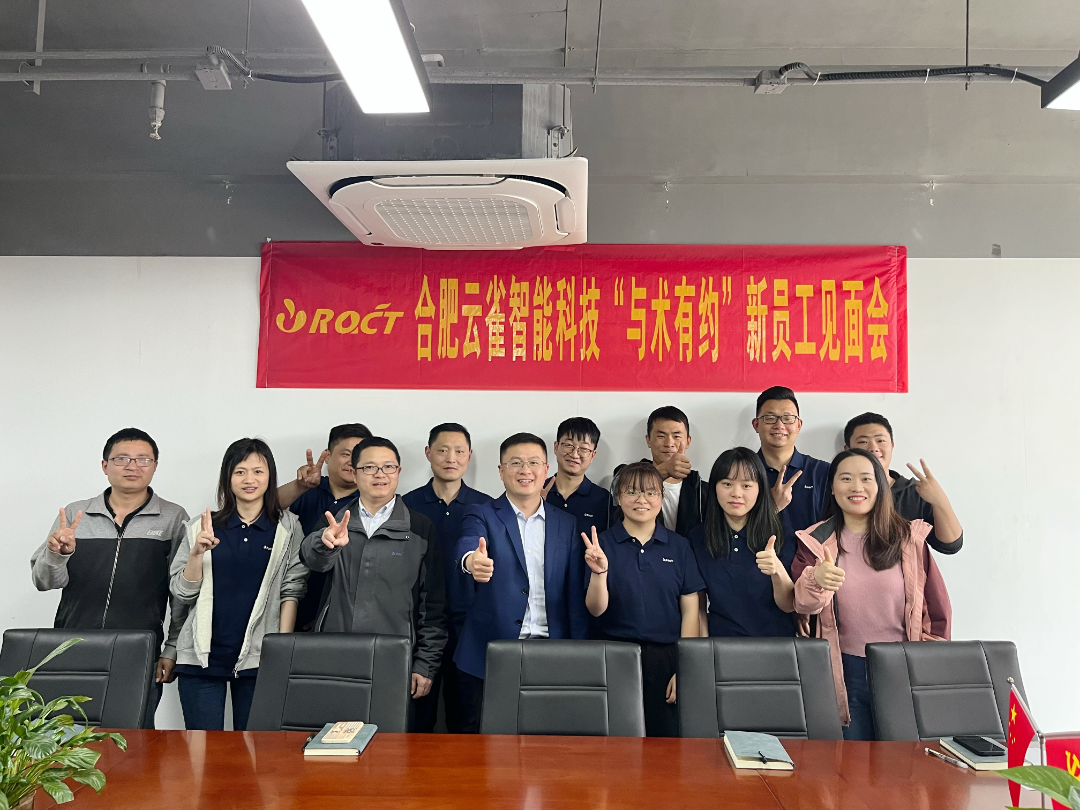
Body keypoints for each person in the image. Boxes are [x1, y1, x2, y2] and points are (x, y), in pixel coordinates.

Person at [30, 427, 189, 729]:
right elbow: (44, 582)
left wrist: (172, 648)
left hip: (140, 649)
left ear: (155, 466)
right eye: (122, 458)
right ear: (105, 465)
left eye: (143, 459)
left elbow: (181, 593)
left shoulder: (173, 517)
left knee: (135, 739)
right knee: (68, 737)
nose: (132, 466)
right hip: (72, 646)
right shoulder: (76, 514)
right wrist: (56, 554)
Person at [792, 449, 952, 740]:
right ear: (832, 487)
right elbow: (802, 606)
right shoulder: (815, 540)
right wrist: (817, 580)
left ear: (880, 486)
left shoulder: (908, 539)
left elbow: (936, 609)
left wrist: (928, 664)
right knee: (851, 760)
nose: (856, 487)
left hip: (903, 665)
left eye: (866, 478)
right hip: (843, 669)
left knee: (903, 759)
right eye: (846, 478)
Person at [301, 437, 447, 731]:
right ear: (354, 474)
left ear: (399, 471)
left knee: (391, 747)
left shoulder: (419, 528)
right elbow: (312, 560)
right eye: (369, 467)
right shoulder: (335, 521)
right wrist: (326, 543)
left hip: (395, 659)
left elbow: (433, 605)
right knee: (336, 742)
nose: (380, 474)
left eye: (388, 467)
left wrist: (425, 664)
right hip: (335, 654)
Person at [454, 432, 590, 733]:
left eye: (533, 463)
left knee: (545, 743)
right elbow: (468, 544)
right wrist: (471, 561)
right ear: (501, 471)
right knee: (480, 745)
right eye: (515, 463)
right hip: (490, 652)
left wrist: (579, 654)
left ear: (546, 469)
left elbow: (573, 598)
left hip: (551, 653)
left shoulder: (566, 524)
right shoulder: (482, 513)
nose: (525, 470)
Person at [170, 438, 308, 731]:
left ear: (270, 476)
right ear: (227, 477)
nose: (249, 480)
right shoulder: (200, 526)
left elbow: (292, 589)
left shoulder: (287, 527)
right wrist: (196, 554)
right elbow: (182, 593)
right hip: (200, 658)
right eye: (240, 472)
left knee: (255, 752)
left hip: (261, 660)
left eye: (258, 471)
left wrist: (281, 650)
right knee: (201, 752)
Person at [582, 462, 704, 737]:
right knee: (616, 742)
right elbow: (596, 609)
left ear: (661, 496)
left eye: (650, 492)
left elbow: (690, 611)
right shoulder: (601, 544)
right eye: (632, 492)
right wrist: (599, 572)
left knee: (666, 743)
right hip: (613, 656)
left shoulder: (679, 546)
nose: (642, 500)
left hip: (666, 658)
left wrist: (684, 668)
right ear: (618, 496)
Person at [402, 423, 491, 733]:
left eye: (459, 451)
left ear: (469, 456)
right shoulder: (406, 505)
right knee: (415, 718)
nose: (450, 458)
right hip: (420, 627)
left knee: (467, 720)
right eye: (442, 450)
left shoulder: (486, 506)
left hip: (469, 627)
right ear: (428, 453)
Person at [689, 447, 797, 638]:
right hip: (721, 644)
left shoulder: (781, 535)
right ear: (714, 487)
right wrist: (703, 649)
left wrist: (777, 570)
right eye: (727, 484)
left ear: (760, 489)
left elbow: (789, 605)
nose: (736, 493)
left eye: (746, 485)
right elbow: (697, 606)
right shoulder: (698, 538)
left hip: (776, 645)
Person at [278, 423, 372, 630]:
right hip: (291, 601)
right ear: (328, 456)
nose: (352, 462)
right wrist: (299, 486)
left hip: (343, 612)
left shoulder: (371, 500)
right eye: (346, 454)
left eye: (359, 455)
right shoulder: (307, 489)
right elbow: (263, 509)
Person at [844, 413, 963, 554]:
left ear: (892, 446)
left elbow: (950, 545)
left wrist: (940, 501)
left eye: (880, 440)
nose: (873, 448)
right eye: (863, 442)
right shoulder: (840, 492)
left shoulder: (916, 492)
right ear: (848, 450)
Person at [752, 386, 830, 535]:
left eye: (787, 418)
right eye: (770, 418)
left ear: (799, 425)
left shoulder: (823, 472)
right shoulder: (741, 472)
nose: (779, 425)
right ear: (756, 425)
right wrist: (772, 507)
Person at [617, 406, 705, 536]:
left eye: (676, 436)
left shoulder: (702, 490)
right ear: (648, 440)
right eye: (661, 436)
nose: (669, 443)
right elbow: (616, 486)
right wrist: (662, 471)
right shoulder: (625, 476)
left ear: (688, 441)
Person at [543, 416, 612, 537]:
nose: (575, 454)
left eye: (584, 449)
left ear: (592, 455)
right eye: (569, 445)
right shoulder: (538, 491)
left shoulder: (602, 499)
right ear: (556, 447)